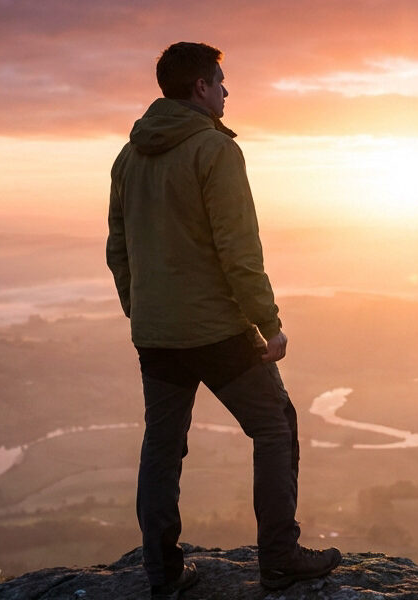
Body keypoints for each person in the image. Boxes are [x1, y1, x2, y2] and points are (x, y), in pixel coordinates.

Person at [107, 42, 340, 598]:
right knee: (275, 426)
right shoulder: (215, 151)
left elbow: (118, 249)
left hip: (157, 333)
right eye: (220, 81)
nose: (227, 90)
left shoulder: (128, 156)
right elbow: (239, 252)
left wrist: (143, 311)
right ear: (200, 88)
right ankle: (280, 559)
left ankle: (162, 573)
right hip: (217, 329)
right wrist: (270, 324)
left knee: (162, 447)